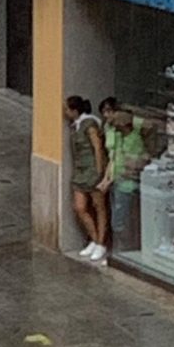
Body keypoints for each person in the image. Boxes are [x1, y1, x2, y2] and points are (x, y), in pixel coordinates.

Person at [98, 107, 152, 250]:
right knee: (118, 220)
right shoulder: (118, 136)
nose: (113, 124)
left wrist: (131, 119)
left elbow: (151, 125)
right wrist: (106, 180)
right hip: (117, 181)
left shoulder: (135, 136)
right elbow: (113, 159)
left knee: (122, 221)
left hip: (129, 183)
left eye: (117, 121)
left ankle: (126, 249)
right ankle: (121, 249)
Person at [65, 96, 108, 261]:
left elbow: (98, 148)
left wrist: (99, 171)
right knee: (79, 207)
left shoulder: (89, 125)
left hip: (91, 170)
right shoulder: (75, 126)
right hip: (79, 172)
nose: (66, 113)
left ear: (75, 111)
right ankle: (94, 238)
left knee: (99, 207)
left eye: (67, 109)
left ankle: (101, 243)